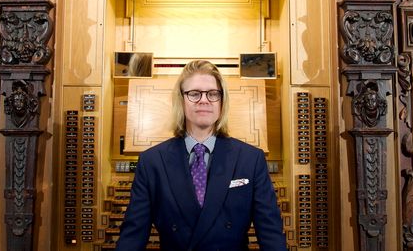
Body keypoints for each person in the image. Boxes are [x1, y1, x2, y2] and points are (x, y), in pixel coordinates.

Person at [115, 59, 286, 251]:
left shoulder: (251, 159)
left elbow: (271, 235)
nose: (203, 100)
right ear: (181, 100)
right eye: (194, 94)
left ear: (222, 101)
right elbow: (133, 237)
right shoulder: (151, 161)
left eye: (213, 94)